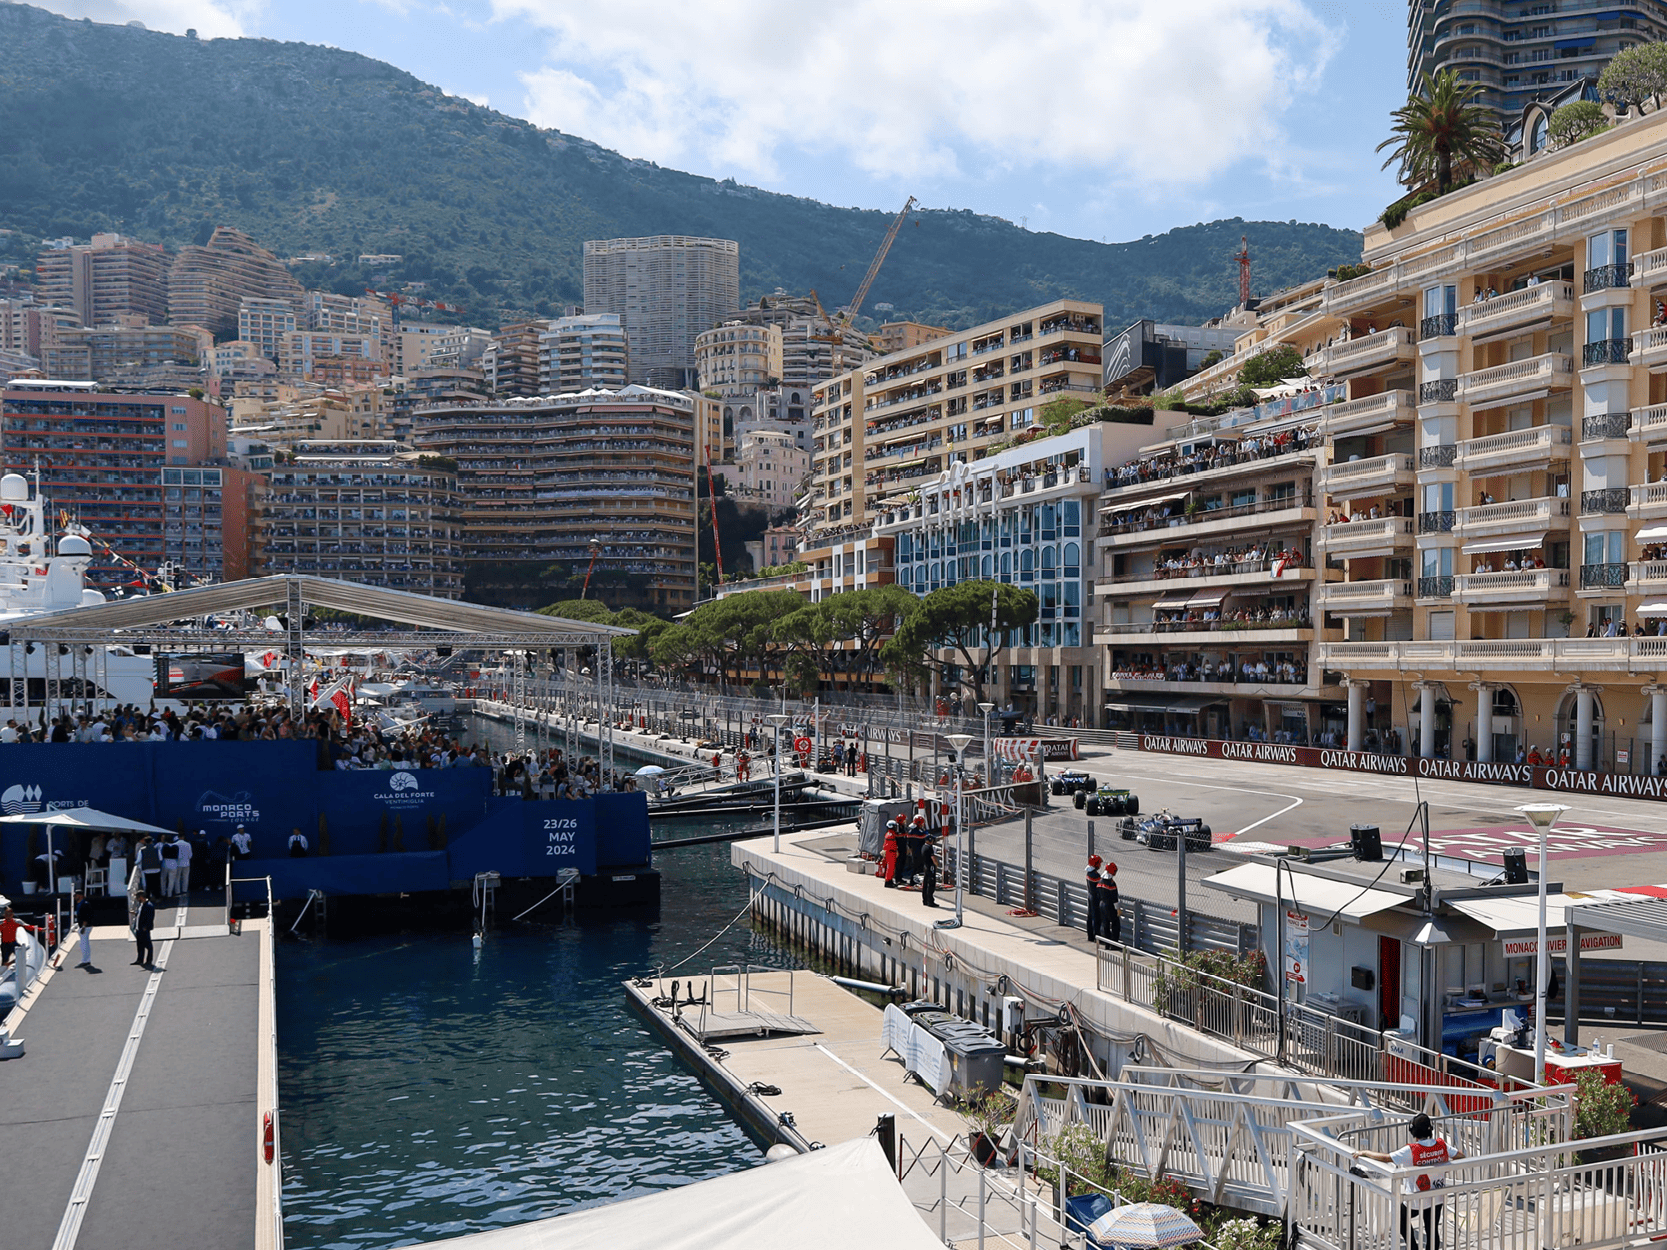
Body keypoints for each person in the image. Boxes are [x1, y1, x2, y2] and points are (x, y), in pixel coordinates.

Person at [1352, 1112, 1465, 1250]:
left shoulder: (1411, 1150)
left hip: (1416, 1198)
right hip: (1437, 1195)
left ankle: (1412, 1247)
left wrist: (1365, 1152)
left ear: (1413, 1131)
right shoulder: (1442, 1145)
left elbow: (1386, 1158)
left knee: (1399, 1217)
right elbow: (1460, 1156)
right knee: (1432, 1230)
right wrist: (1443, 1166)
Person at [1097, 862, 1122, 944]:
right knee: (1115, 924)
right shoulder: (1111, 883)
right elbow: (1114, 898)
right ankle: (1114, 944)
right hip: (1110, 906)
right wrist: (1118, 908)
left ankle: (1107, 944)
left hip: (1101, 904)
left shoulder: (1100, 881)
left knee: (1105, 925)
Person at [131, 890, 155, 969]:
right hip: (139, 928)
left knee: (148, 946)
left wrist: (146, 927)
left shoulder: (149, 906)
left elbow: (150, 918)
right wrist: (135, 913)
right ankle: (140, 959)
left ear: (141, 897)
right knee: (140, 945)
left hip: (144, 929)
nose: (137, 899)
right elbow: (140, 914)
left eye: (138, 897)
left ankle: (149, 960)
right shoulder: (141, 905)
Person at [137, 835, 163, 901]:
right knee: (156, 884)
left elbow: (138, 860)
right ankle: (157, 897)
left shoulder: (141, 850)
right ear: (151, 841)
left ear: (145, 842)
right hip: (156, 869)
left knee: (148, 885)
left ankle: (148, 897)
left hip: (147, 869)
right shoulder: (156, 849)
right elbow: (160, 858)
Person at [1084, 854, 1103, 939]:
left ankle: (1090, 935)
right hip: (1095, 897)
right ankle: (1097, 936)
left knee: (1090, 916)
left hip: (1090, 895)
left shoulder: (1089, 873)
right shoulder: (1095, 875)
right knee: (1096, 917)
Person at [919, 830, 939, 908]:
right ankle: (930, 901)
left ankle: (925, 900)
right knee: (931, 884)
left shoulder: (923, 847)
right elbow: (933, 858)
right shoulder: (929, 848)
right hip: (930, 867)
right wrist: (936, 864)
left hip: (925, 866)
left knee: (925, 883)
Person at [75, 890, 93, 969]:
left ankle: (85, 961)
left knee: (84, 944)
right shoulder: (80, 904)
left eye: (76, 895)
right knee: (83, 944)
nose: (75, 897)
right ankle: (85, 960)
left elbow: (86, 916)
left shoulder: (85, 904)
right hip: (82, 926)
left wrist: (83, 926)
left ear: (80, 896)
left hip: (85, 927)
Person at [881, 818, 900, 888]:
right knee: (890, 868)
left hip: (890, 852)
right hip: (891, 852)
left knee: (890, 868)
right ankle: (888, 881)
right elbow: (893, 845)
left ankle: (890, 880)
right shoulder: (891, 835)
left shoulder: (888, 834)